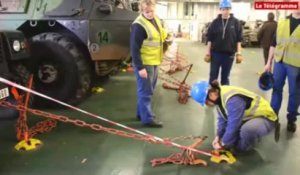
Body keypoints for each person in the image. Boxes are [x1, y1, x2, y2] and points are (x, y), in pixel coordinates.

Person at [191, 80, 277, 152]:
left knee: (246, 130)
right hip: (251, 116)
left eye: (206, 102)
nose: (207, 105)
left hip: (266, 117)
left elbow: (233, 125)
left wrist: (223, 143)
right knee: (232, 135)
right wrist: (218, 136)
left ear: (210, 95)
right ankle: (249, 136)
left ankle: (243, 149)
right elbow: (223, 117)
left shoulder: (233, 101)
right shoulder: (219, 95)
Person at [130, 0, 167, 128]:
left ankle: (141, 113)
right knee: (146, 92)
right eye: (147, 12)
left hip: (155, 61)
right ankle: (148, 119)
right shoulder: (139, 25)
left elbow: (160, 34)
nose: (150, 14)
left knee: (148, 89)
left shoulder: (155, 19)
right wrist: (140, 68)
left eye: (152, 11)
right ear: (141, 10)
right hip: (145, 63)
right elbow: (134, 48)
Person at [264, 0, 300, 133]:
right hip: (279, 62)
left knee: (294, 93)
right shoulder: (283, 22)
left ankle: (291, 119)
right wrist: (268, 62)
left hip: (296, 65)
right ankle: (273, 116)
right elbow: (274, 43)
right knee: (276, 89)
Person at [205, 0, 243, 85]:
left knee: (225, 78)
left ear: (230, 9)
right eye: (224, 9)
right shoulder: (215, 22)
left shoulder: (236, 23)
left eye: (228, 9)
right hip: (215, 54)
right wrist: (208, 53)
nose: (226, 11)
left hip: (229, 55)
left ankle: (224, 96)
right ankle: (212, 96)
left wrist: (239, 53)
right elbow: (210, 39)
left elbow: (239, 40)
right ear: (220, 9)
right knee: (213, 77)